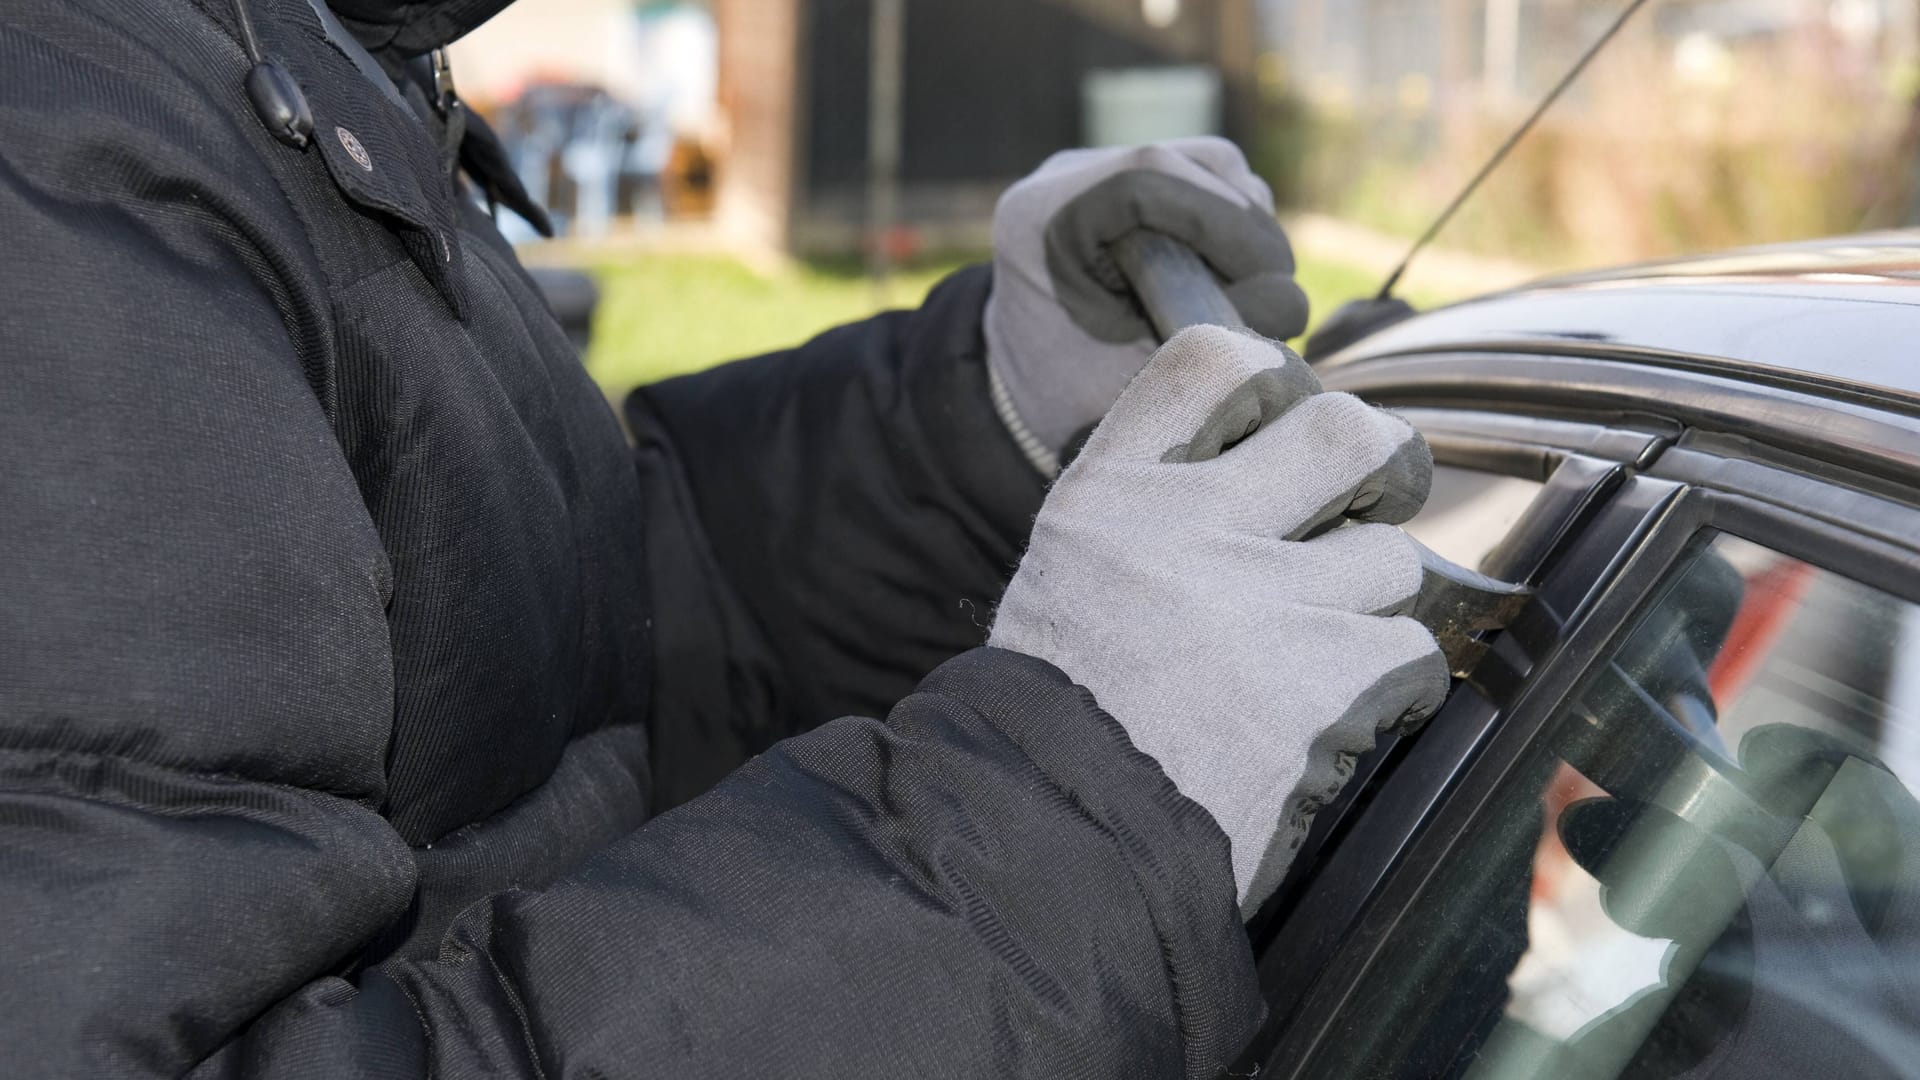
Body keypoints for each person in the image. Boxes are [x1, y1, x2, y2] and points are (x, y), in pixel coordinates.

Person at [0, 0, 1450, 1075]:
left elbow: (553, 679)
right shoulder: (59, 151)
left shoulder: (270, 54)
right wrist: (1053, 828)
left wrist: (981, 421)